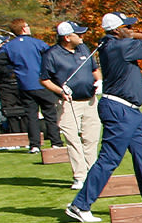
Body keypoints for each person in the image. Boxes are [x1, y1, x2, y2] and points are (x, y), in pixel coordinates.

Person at [65, 13, 142, 223]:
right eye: (127, 26)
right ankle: (80, 205)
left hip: (130, 111)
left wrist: (127, 33)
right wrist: (134, 34)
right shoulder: (121, 46)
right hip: (120, 110)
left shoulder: (113, 44)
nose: (131, 28)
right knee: (109, 159)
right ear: (118, 30)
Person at [40, 20, 103, 190]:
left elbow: (94, 69)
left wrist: (99, 81)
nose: (82, 36)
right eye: (79, 34)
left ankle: (93, 174)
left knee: (91, 139)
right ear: (67, 37)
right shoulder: (52, 54)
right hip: (68, 103)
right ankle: (80, 177)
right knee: (73, 140)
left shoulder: (83, 48)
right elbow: (44, 79)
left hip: (90, 101)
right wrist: (60, 91)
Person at [0, 18, 59, 151]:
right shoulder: (37, 43)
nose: (29, 27)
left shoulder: (8, 46)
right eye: (27, 25)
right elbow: (50, 54)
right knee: (50, 114)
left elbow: (0, 61)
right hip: (42, 84)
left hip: (24, 85)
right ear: (23, 29)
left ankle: (34, 145)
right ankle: (56, 142)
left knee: (31, 116)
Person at [0, 35, 30, 147]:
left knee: (24, 110)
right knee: (11, 112)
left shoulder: (13, 52)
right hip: (6, 86)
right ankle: (16, 139)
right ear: (0, 44)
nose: (8, 42)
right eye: (5, 41)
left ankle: (26, 137)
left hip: (20, 84)